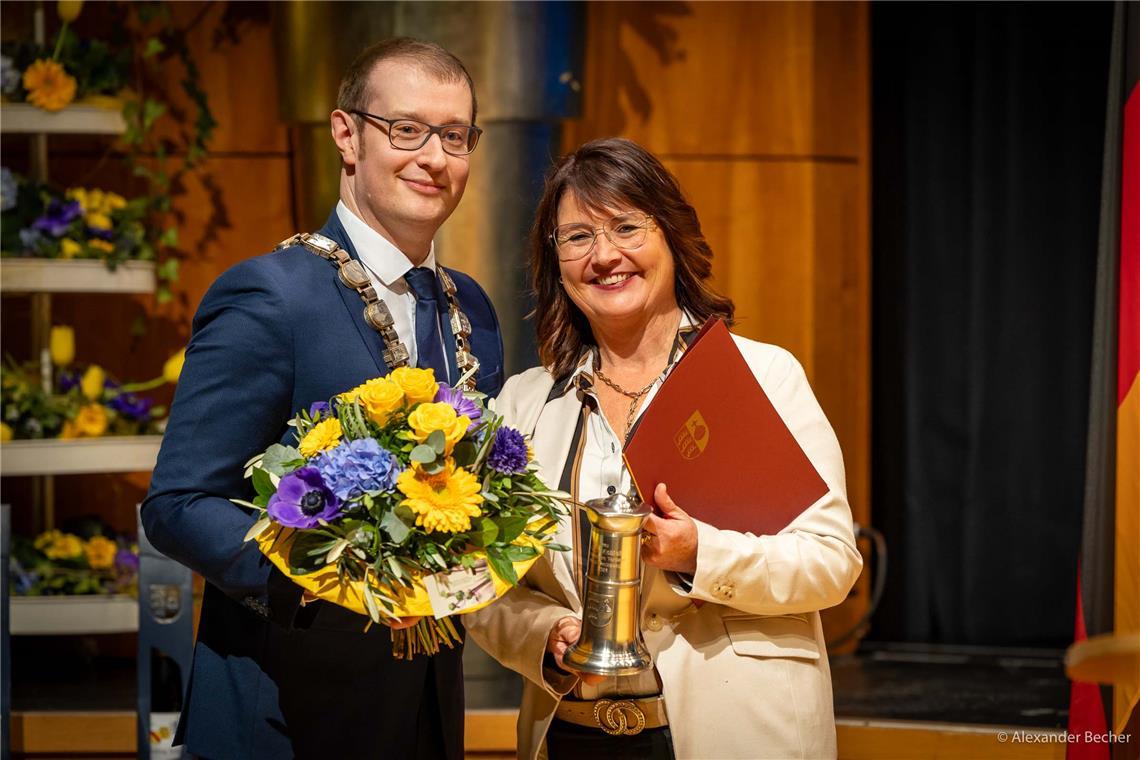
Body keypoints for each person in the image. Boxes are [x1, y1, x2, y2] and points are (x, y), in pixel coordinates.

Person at [141, 38, 503, 759]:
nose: (434, 157)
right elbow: (177, 504)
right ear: (347, 135)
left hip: (429, 713)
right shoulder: (272, 294)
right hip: (285, 716)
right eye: (406, 130)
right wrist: (325, 570)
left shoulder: (476, 313)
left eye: (455, 136)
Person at [464, 137, 862, 759]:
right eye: (577, 238)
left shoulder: (759, 378)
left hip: (738, 734)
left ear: (670, 236)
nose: (605, 256)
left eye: (627, 227)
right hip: (571, 738)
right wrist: (544, 633)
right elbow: (483, 583)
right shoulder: (523, 404)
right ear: (555, 261)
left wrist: (700, 553)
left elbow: (831, 563)